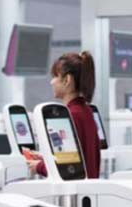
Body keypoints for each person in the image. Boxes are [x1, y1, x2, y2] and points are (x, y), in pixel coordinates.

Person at [29, 51, 101, 179]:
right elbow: (74, 158)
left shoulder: (70, 117)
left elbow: (66, 167)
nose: (52, 82)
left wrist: (38, 166)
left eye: (55, 76)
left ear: (67, 80)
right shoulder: (86, 112)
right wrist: (45, 159)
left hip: (75, 193)